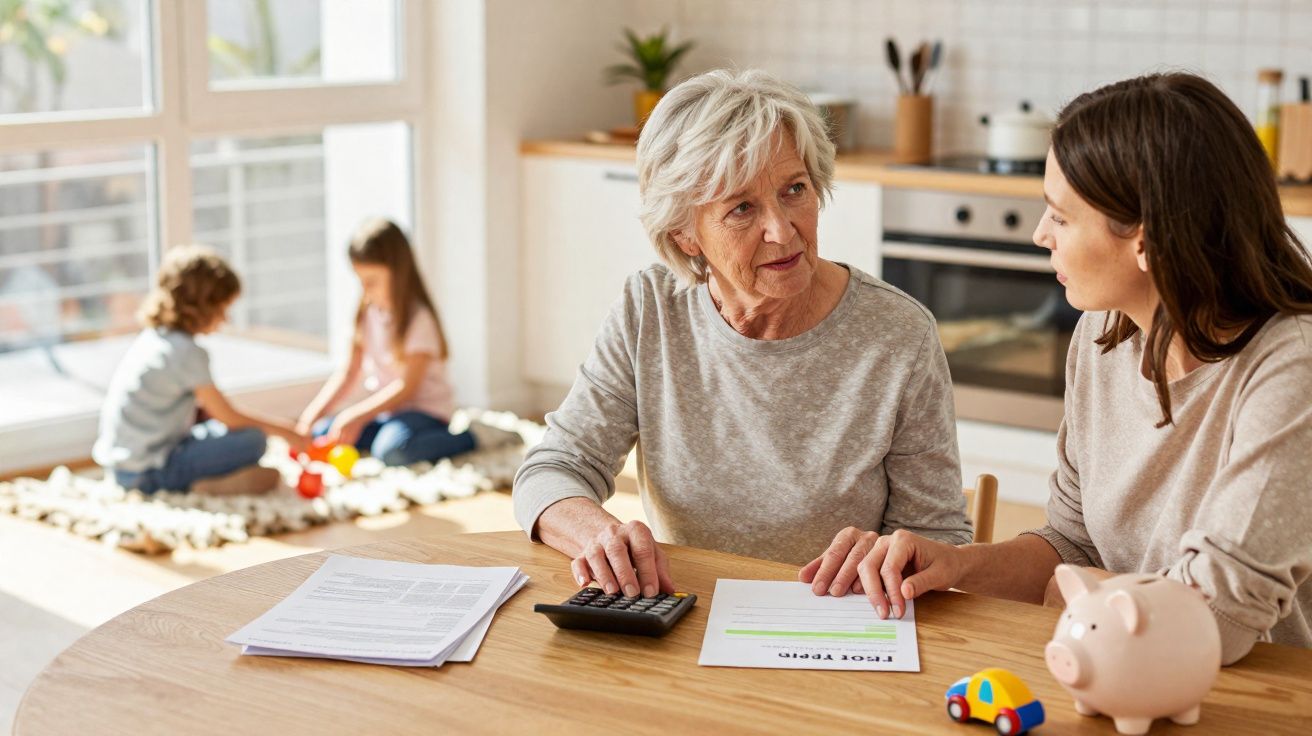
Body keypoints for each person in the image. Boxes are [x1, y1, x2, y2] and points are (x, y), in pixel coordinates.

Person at [823, 73, 1312, 664]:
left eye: (1059, 217)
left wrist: (1084, 591)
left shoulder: (1292, 369)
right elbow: (1072, 545)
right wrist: (954, 566)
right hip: (1115, 669)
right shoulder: (1104, 333)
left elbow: (1216, 618)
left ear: (1146, 241)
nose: (1039, 234)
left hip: (1254, 691)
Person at [513, 69, 972, 602]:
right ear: (685, 234)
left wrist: (892, 556)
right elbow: (552, 469)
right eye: (742, 208)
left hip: (835, 619)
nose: (782, 229)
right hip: (686, 611)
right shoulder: (651, 309)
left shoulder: (898, 334)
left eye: (794, 190)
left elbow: (938, 538)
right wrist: (598, 535)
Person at [94, 245, 306, 494]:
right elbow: (228, 417)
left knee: (215, 430)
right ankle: (200, 485)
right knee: (253, 440)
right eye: (222, 310)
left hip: (123, 466)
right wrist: (287, 432)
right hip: (148, 471)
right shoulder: (187, 353)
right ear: (203, 307)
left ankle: (215, 480)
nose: (225, 319)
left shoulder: (154, 338)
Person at [298, 218, 512, 465]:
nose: (365, 290)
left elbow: (406, 388)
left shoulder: (418, 319)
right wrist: (310, 417)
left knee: (392, 452)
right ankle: (377, 435)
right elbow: (348, 373)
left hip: (425, 412)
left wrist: (357, 414)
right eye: (360, 281)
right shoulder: (367, 314)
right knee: (323, 432)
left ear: (397, 273)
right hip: (388, 413)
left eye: (371, 281)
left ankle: (473, 436)